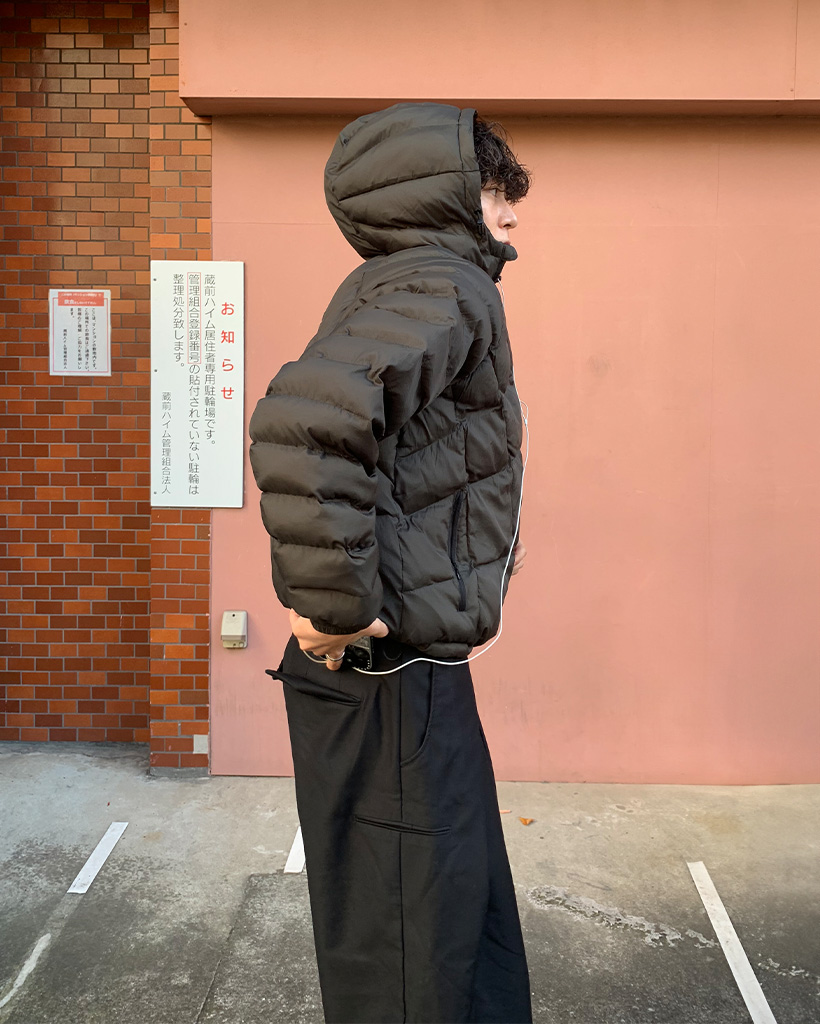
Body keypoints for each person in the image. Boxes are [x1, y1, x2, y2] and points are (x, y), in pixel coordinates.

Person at [249, 102, 532, 1024]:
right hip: (389, 680)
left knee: (449, 930)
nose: (512, 214)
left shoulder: (404, 282)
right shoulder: (445, 283)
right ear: (448, 194)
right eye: (497, 191)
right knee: (415, 949)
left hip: (409, 675)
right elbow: (308, 425)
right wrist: (335, 607)